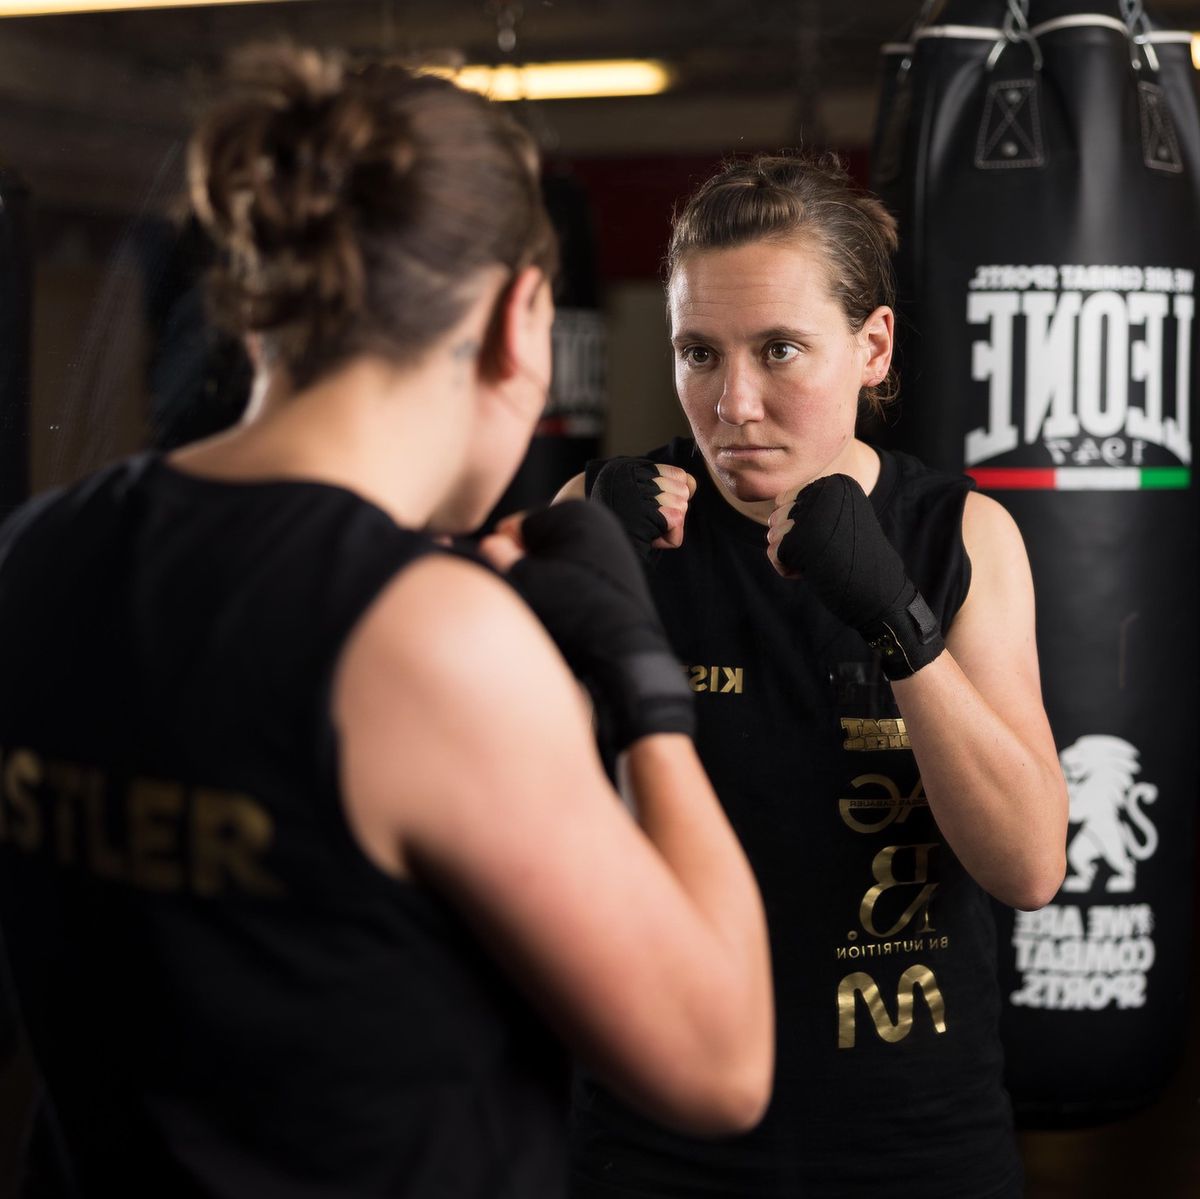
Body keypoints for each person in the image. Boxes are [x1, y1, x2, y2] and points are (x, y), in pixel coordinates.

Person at [0, 47, 774, 1198]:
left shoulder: (39, 547)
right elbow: (720, 1063)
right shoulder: (424, 640)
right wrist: (642, 682)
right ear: (522, 317)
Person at [560, 153, 1069, 1198]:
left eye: (780, 349)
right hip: (660, 1133)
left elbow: (1027, 866)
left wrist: (899, 622)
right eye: (698, 352)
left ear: (872, 346)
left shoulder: (958, 536)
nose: (734, 402)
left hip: (912, 1134)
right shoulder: (607, 521)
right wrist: (559, 589)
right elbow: (501, 829)